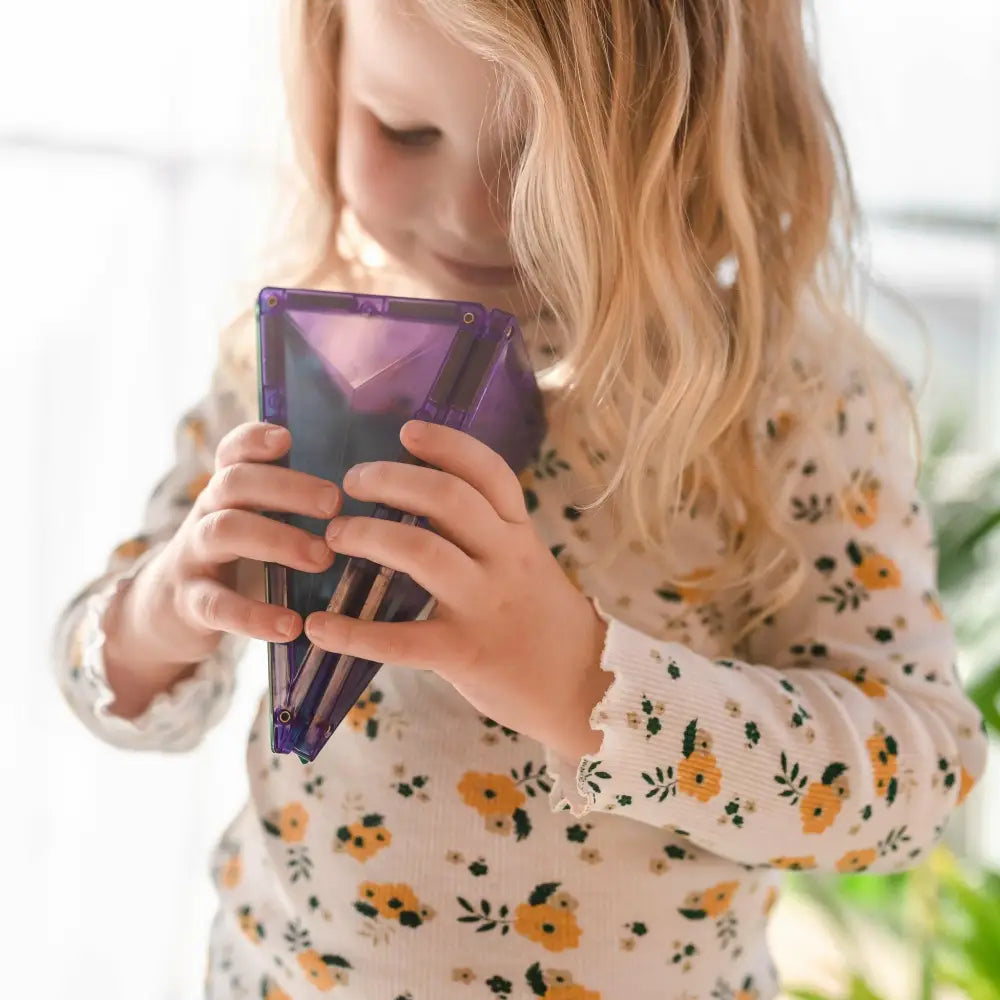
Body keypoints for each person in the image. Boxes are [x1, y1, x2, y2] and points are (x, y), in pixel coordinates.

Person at [51, 1, 988, 998]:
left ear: (700, 130)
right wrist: (164, 605)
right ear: (327, 86)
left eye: (545, 156)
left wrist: (584, 684)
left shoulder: (790, 404)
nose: (468, 214)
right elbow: (101, 681)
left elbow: (916, 782)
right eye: (403, 131)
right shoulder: (295, 363)